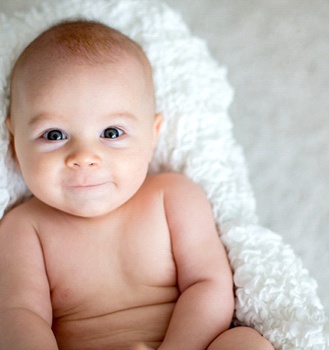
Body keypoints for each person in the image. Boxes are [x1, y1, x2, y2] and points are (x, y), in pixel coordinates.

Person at [0, 20, 273, 350]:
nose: (84, 157)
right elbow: (20, 315)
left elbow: (209, 285)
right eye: (54, 135)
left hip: (185, 342)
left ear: (152, 136)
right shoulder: (24, 227)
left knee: (246, 342)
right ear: (15, 142)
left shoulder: (173, 197)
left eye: (112, 133)